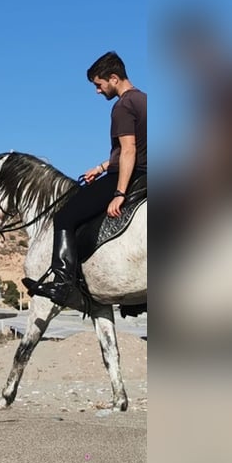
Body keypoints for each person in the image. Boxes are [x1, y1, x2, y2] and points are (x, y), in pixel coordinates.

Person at [22, 51, 147, 311]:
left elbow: (129, 151)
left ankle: (63, 282)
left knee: (65, 217)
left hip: (130, 175)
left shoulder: (123, 106)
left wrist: (119, 192)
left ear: (114, 78)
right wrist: (100, 167)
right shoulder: (145, 100)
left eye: (99, 85)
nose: (98, 92)